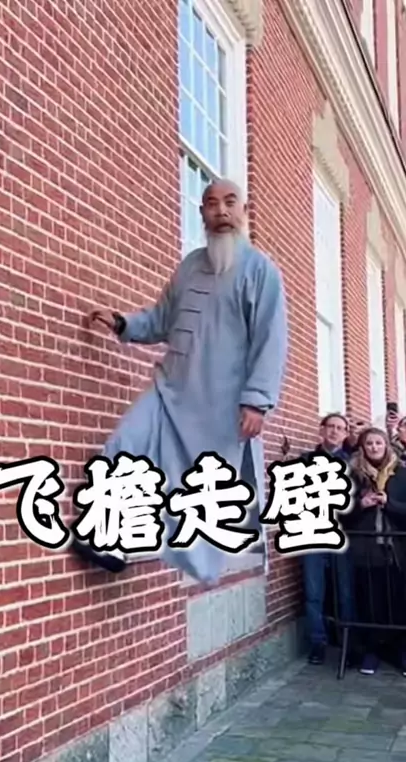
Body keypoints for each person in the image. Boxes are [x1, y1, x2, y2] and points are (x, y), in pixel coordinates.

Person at [71, 179, 288, 585]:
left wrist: (257, 400)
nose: (221, 211)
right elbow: (161, 320)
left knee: (198, 492)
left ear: (244, 211)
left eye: (230, 202)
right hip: (170, 391)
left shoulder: (262, 272)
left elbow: (271, 341)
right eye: (211, 204)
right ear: (201, 214)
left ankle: (167, 549)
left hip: (220, 410)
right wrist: (123, 323)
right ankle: (108, 538)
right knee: (124, 444)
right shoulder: (188, 267)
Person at [344, 427, 406, 676]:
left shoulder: (402, 473)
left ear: (386, 445)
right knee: (371, 603)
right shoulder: (353, 475)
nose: (374, 447)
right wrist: (361, 504)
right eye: (369, 443)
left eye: (378, 442)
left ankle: (400, 651)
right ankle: (372, 651)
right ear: (362, 447)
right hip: (367, 551)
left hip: (398, 550)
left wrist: (389, 504)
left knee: (399, 603)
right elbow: (341, 513)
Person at [300, 413, 356, 665]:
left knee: (346, 591)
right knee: (314, 591)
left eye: (340, 428)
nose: (334, 431)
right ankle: (318, 643)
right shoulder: (305, 461)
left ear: (346, 434)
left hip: (344, 534)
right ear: (321, 430)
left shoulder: (354, 463)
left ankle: (348, 643)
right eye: (330, 426)